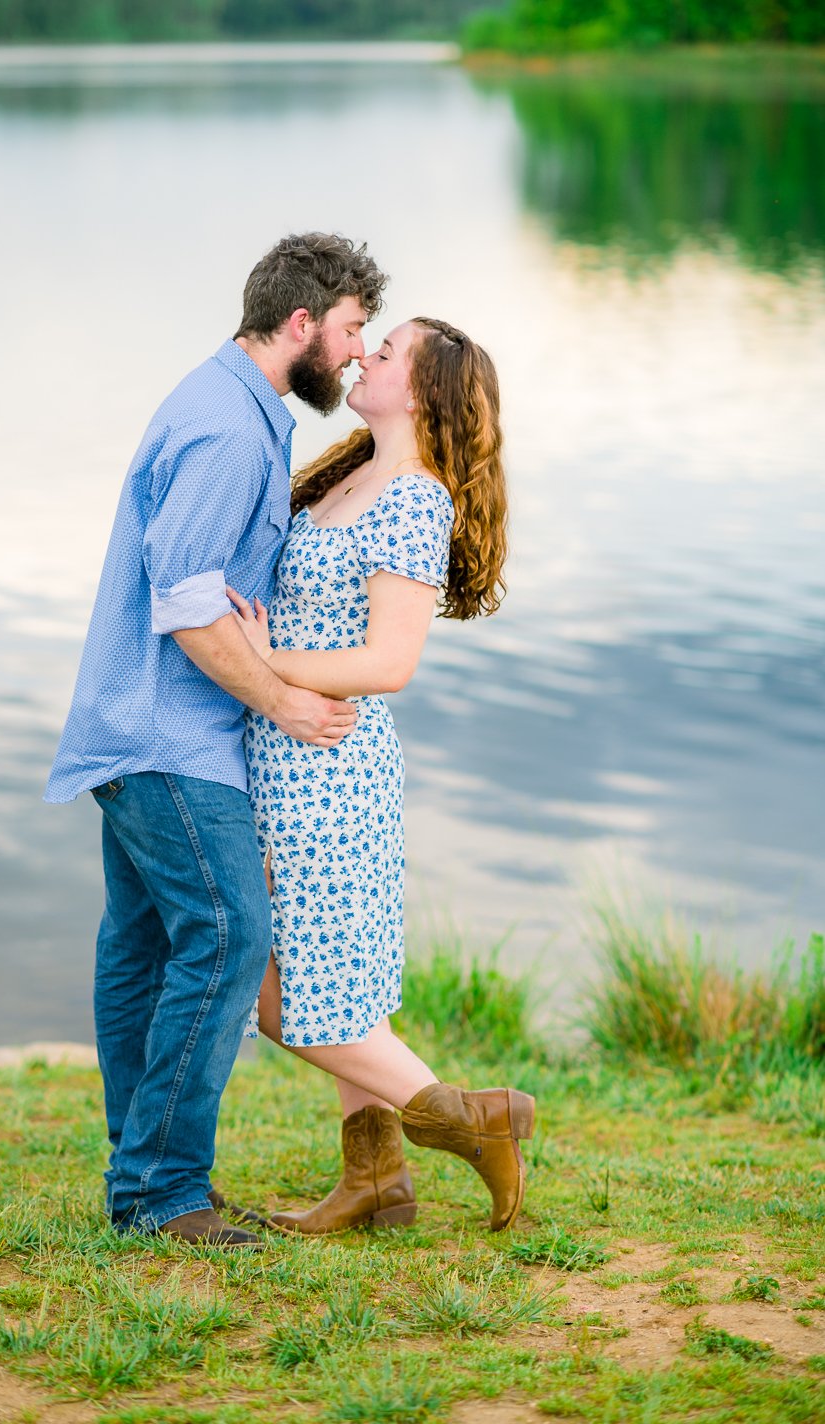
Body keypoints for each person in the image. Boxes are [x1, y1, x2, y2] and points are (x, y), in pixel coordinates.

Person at [45, 233, 389, 1248]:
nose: (358, 352)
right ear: (302, 324)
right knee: (233, 932)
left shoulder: (225, 405)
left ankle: (140, 1174)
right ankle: (160, 1189)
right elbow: (188, 599)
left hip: (138, 725)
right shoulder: (232, 433)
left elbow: (203, 580)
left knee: (144, 943)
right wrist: (283, 701)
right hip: (171, 738)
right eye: (352, 328)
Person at [228, 316, 535, 1235]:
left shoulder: (412, 498)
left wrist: (265, 659)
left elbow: (388, 661)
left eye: (387, 350)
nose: (363, 354)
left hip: (328, 767)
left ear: (426, 391)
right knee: (334, 984)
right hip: (289, 753)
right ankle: (377, 1182)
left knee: (290, 999)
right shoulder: (349, 473)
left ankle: (475, 1121)